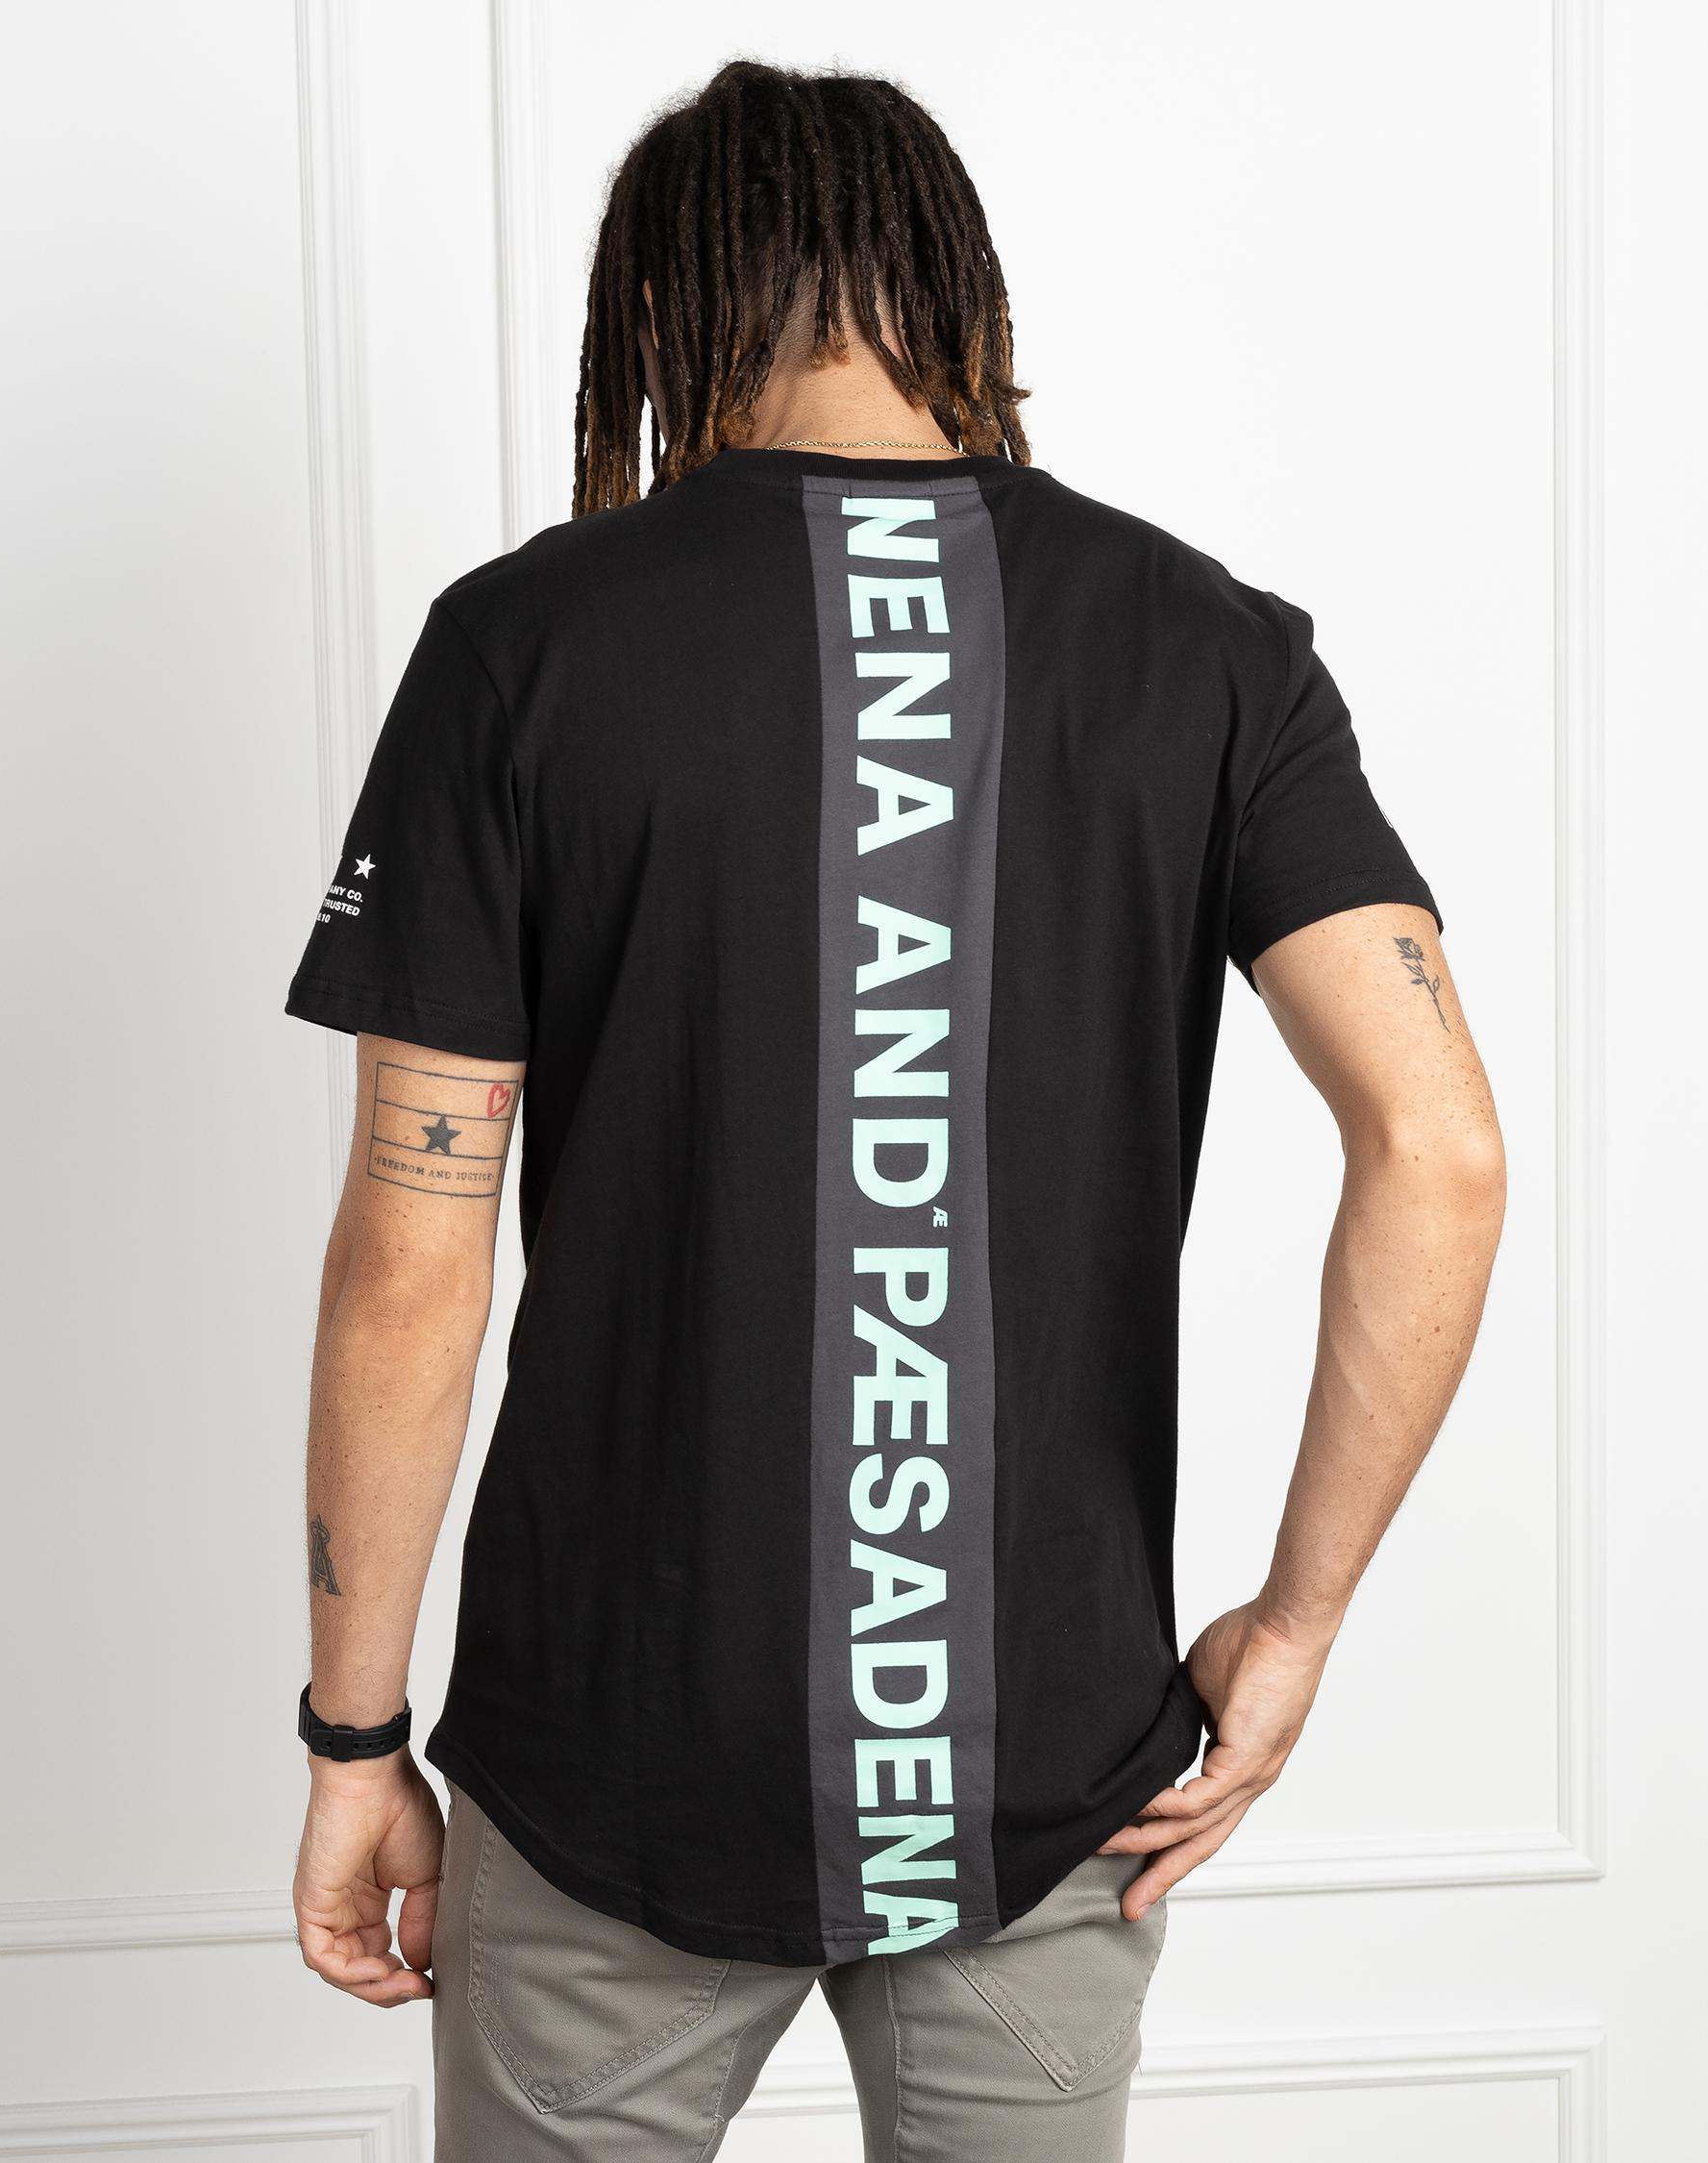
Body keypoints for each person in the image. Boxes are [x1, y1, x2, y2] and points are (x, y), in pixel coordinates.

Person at [285, 59, 1505, 2163]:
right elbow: (1445, 1147)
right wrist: (1296, 1627)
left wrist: (352, 1734)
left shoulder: (523, 646)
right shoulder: (1206, 647)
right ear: (957, 290)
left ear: (658, 308)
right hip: (1036, 1774)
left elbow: (415, 1251)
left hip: (613, 1771)